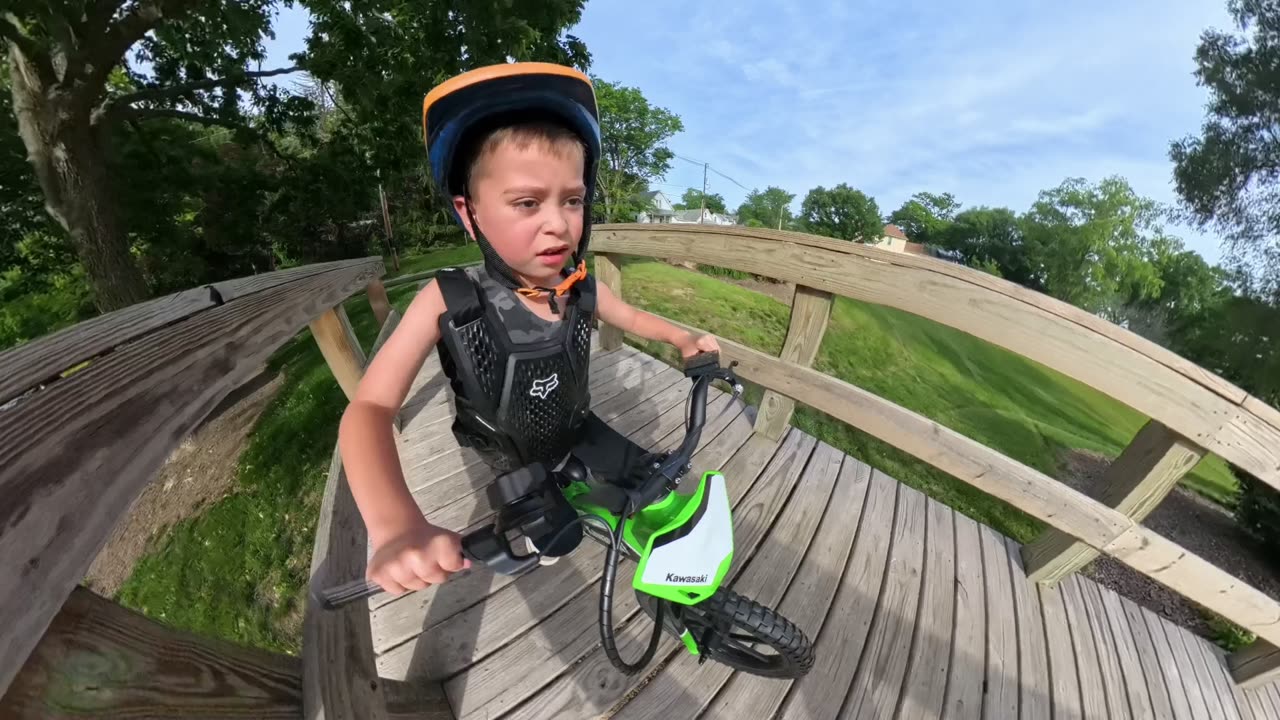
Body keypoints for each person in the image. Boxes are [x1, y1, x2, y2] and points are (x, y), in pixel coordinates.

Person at [338, 63, 719, 598]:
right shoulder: (451, 300)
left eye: (573, 199)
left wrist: (680, 337)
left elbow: (631, 318)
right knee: (549, 536)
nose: (558, 224)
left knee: (656, 483)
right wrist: (396, 524)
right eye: (526, 203)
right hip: (512, 455)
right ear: (469, 216)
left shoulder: (578, 288)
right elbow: (370, 409)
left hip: (577, 424)